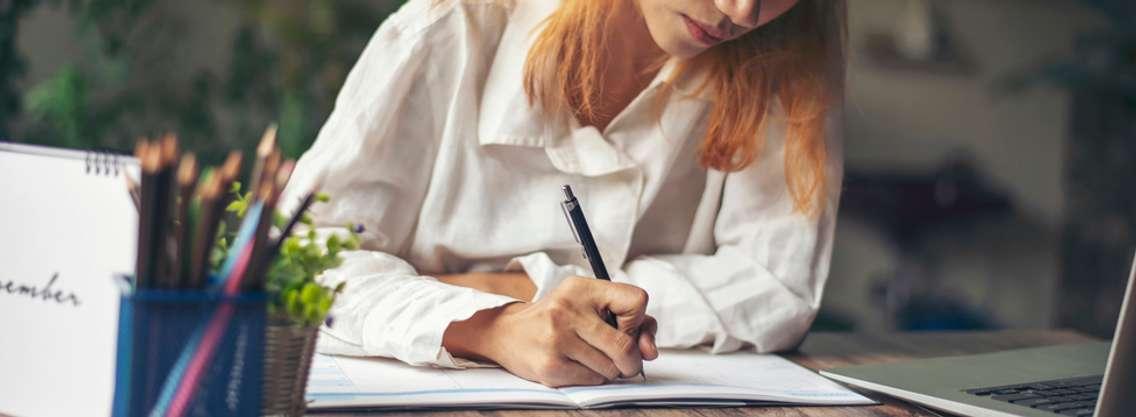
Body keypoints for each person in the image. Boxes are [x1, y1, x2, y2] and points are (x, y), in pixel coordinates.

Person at [281, 0, 847, 388]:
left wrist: (518, 288)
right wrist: (492, 325)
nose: (742, 10)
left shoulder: (786, 61)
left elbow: (776, 288)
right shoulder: (449, 30)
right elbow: (300, 262)